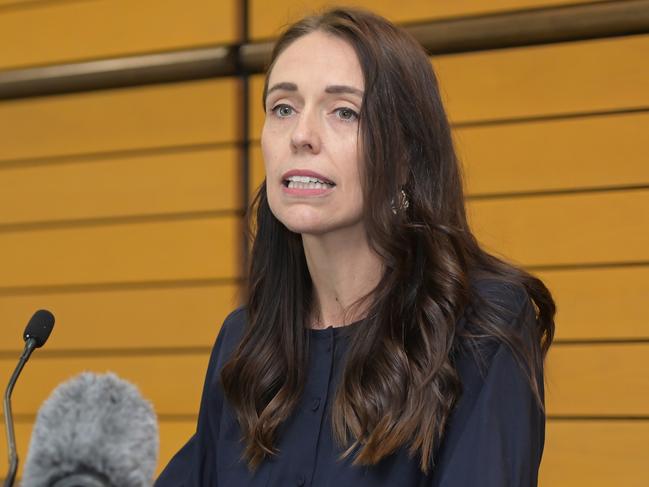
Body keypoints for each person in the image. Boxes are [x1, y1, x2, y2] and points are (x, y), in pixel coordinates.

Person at [155, 7, 555, 487]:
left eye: (344, 111)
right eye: (283, 108)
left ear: (406, 153)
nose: (301, 135)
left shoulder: (483, 327)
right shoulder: (245, 341)